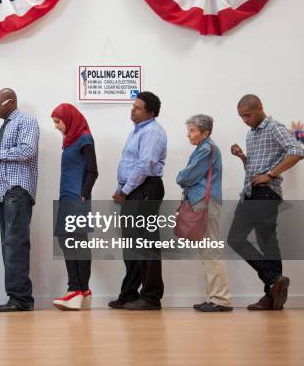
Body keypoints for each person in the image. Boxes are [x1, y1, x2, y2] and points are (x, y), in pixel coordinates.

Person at [228, 95, 303, 310]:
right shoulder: (251, 134)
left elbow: (298, 151)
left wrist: (270, 174)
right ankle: (272, 295)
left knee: (235, 238)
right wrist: (243, 157)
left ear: (260, 108)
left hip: (265, 193)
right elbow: (253, 169)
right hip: (253, 192)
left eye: (247, 115)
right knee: (267, 243)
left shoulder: (274, 127)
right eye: (241, 117)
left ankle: (273, 280)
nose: (245, 120)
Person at [109, 91, 167, 311]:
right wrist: (120, 189)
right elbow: (129, 164)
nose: (132, 110)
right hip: (134, 189)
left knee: (146, 245)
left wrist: (125, 190)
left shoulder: (152, 131)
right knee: (131, 246)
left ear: (150, 112)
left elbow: (144, 166)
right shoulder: (138, 131)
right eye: (133, 106)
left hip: (146, 189)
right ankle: (130, 293)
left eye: (137, 107)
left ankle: (151, 297)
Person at [0, 88, 39, 312]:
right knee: (9, 245)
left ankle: (21, 299)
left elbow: (28, 149)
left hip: (17, 190)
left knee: (15, 244)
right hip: (1, 191)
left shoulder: (26, 121)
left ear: (12, 102)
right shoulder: (0, 128)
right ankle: (17, 297)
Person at [176, 115, 233, 312]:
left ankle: (221, 299)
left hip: (204, 203)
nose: (188, 134)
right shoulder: (204, 148)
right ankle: (215, 297)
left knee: (211, 251)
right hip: (201, 203)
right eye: (189, 129)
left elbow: (186, 176)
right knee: (207, 251)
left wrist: (181, 175)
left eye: (192, 130)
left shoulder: (207, 149)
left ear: (205, 132)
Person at [50, 104, 98, 311]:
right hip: (67, 197)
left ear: (69, 119)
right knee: (69, 241)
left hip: (77, 198)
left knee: (76, 240)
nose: (56, 126)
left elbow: (93, 171)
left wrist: (84, 194)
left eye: (57, 122)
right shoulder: (69, 141)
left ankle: (75, 289)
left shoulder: (84, 139)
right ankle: (82, 291)